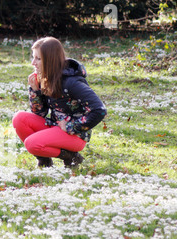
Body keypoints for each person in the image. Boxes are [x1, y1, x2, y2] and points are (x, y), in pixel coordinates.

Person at [12, 36, 107, 168]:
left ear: (50, 61)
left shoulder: (72, 82)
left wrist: (71, 126)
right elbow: (40, 113)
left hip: (75, 135)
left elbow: (99, 110)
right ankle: (44, 162)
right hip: (55, 127)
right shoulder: (45, 78)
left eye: (38, 59)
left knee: (31, 144)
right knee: (19, 118)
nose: (33, 63)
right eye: (33, 57)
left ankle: (72, 157)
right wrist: (35, 91)